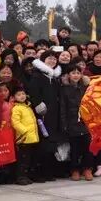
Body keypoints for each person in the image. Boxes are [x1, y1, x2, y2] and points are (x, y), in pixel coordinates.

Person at [26, 51, 63, 182]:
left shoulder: (54, 77)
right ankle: (38, 173)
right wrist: (37, 104)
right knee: (42, 143)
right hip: (41, 115)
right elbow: (33, 92)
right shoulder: (37, 75)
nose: (52, 61)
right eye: (49, 58)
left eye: (54, 59)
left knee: (51, 143)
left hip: (53, 114)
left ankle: (49, 171)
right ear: (43, 60)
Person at [60, 65, 93, 181]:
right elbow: (63, 108)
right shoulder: (64, 89)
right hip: (72, 121)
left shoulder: (86, 87)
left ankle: (87, 168)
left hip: (85, 122)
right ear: (68, 75)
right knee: (75, 148)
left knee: (88, 147)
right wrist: (64, 124)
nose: (76, 75)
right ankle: (75, 170)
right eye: (73, 73)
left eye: (78, 73)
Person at [10, 85, 38, 185]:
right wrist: (24, 131)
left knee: (28, 159)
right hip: (23, 138)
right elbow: (15, 122)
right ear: (14, 97)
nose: (22, 96)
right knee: (22, 159)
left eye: (23, 94)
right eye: (18, 95)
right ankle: (20, 177)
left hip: (31, 137)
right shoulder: (17, 108)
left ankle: (25, 176)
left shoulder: (28, 106)